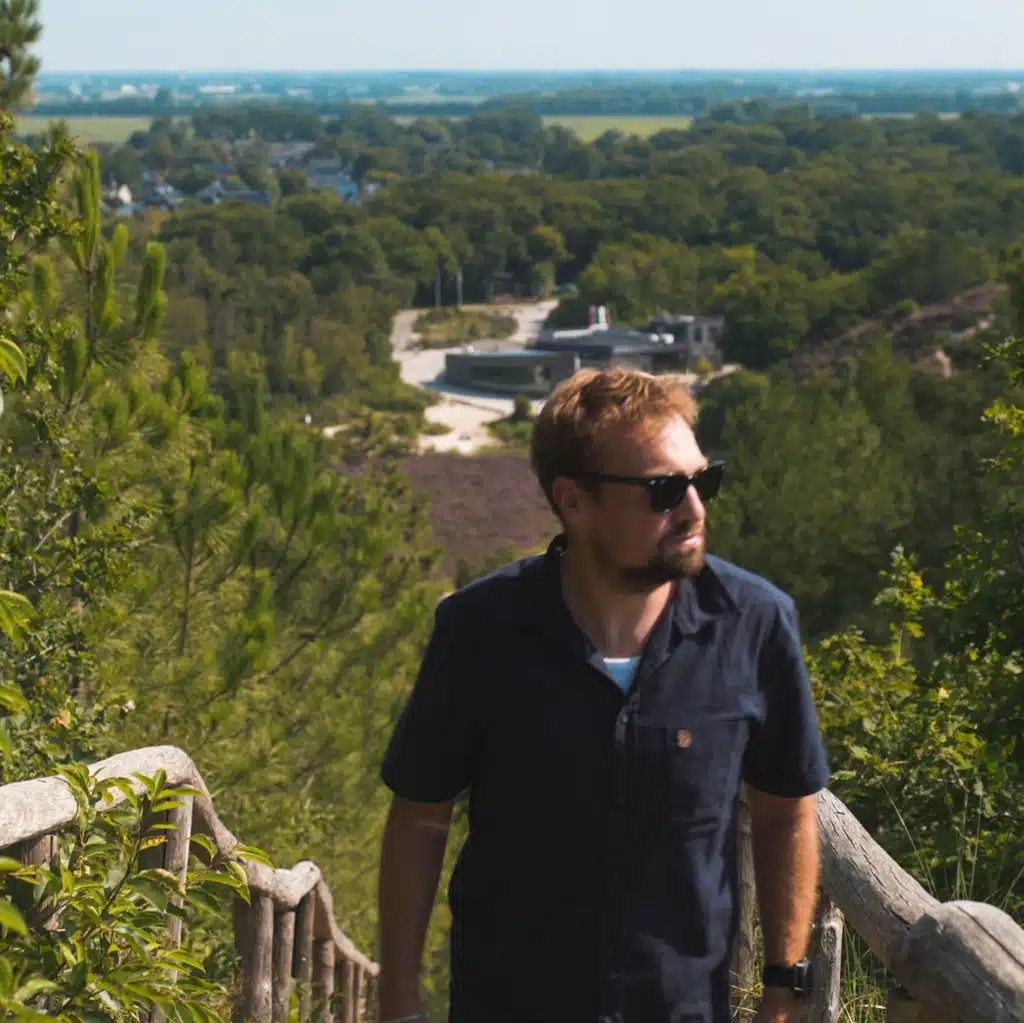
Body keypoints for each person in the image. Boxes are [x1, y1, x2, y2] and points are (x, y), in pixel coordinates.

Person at [377, 367, 830, 1023]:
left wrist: (783, 991)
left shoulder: (754, 626)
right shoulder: (478, 631)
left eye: (704, 481)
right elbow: (421, 817)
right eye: (664, 490)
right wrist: (398, 1004)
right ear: (574, 500)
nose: (695, 509)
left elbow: (786, 812)